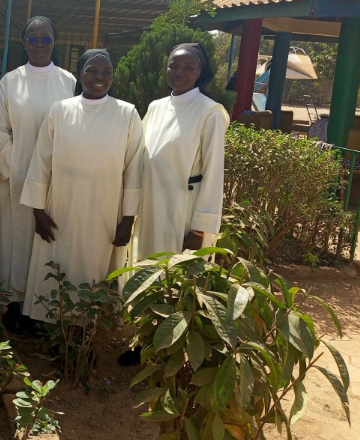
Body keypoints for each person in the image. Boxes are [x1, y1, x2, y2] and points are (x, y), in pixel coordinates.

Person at [119, 43, 229, 366]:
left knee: (178, 277)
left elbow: (213, 174)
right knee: (145, 269)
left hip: (184, 208)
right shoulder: (155, 107)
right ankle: (142, 341)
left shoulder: (210, 112)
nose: (179, 73)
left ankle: (173, 351)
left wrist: (200, 228)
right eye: (173, 66)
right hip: (152, 205)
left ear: (201, 72)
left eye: (188, 67)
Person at [19, 49, 144, 323]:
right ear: (79, 74)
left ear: (113, 77)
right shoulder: (60, 110)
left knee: (94, 267)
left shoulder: (127, 113)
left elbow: (135, 168)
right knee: (58, 264)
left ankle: (86, 327)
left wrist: (128, 219)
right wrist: (38, 211)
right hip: (61, 208)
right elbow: (41, 161)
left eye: (105, 73)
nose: (99, 78)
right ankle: (55, 324)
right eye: (92, 71)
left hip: (105, 211)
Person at [0, 17, 76, 332]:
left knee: (45, 242)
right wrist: (15, 169)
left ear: (54, 42)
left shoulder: (68, 81)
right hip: (16, 177)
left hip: (55, 178)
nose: (39, 44)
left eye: (45, 38)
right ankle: (12, 303)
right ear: (24, 43)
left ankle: (42, 305)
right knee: (14, 243)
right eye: (32, 38)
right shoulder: (11, 80)